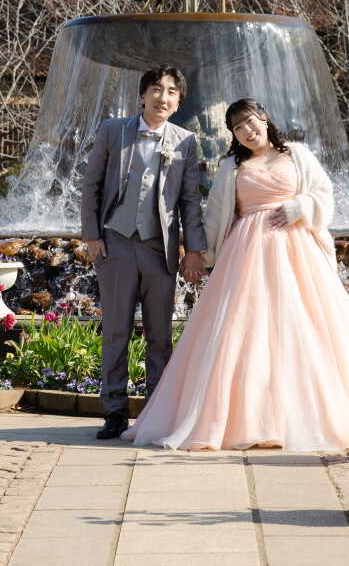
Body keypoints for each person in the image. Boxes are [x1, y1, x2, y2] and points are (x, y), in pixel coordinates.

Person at [126, 97, 349, 451]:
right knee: (243, 332)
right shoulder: (232, 167)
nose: (247, 130)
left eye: (251, 122)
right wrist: (200, 255)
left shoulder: (297, 154)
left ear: (265, 119)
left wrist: (299, 206)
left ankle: (298, 417)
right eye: (238, 127)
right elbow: (217, 216)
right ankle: (242, 419)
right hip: (247, 253)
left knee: (300, 328)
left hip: (296, 250)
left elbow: (323, 194)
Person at [81, 64, 207, 440]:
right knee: (116, 331)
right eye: (156, 89)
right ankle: (114, 411)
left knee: (160, 335)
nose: (162, 97)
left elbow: (189, 202)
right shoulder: (112, 131)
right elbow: (91, 187)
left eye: (171, 91)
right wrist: (92, 236)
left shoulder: (186, 141)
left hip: (160, 248)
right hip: (116, 243)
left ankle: (155, 410)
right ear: (142, 94)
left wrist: (194, 251)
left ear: (179, 100)